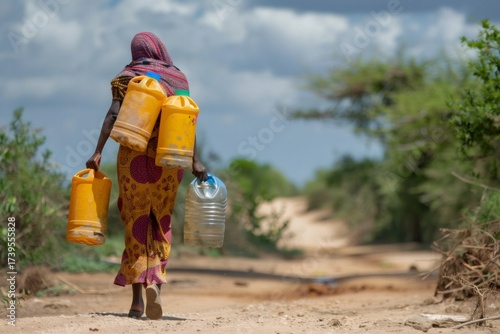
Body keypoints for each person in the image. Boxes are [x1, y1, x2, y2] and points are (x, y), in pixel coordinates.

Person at [86, 32, 207, 320]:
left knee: (136, 219)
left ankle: (137, 301)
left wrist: (98, 151)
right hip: (169, 159)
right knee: (160, 219)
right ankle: (157, 284)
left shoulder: (126, 77)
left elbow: (113, 115)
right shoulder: (179, 80)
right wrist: (196, 161)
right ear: (161, 50)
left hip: (133, 158)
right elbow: (185, 122)